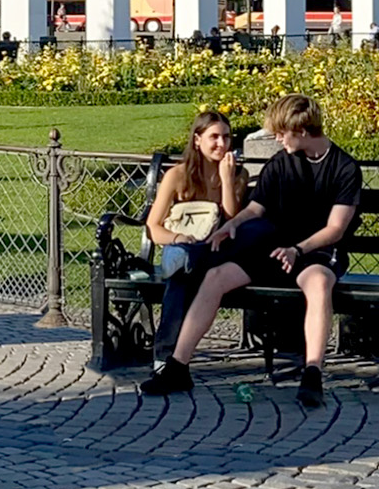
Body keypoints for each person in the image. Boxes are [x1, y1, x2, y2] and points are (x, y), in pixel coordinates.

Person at [142, 95, 362, 408]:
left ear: (300, 130)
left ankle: (312, 373)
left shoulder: (344, 167)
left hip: (315, 252)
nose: (276, 138)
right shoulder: (282, 162)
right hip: (272, 249)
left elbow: (335, 229)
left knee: (319, 283)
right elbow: (258, 207)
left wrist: (298, 249)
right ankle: (178, 366)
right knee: (216, 276)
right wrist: (232, 225)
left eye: (280, 132)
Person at [143, 111, 246, 369]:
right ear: (197, 140)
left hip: (217, 251)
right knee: (180, 271)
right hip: (182, 249)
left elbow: (232, 217)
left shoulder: (238, 175)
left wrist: (226, 180)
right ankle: (166, 358)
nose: (221, 144)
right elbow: (153, 228)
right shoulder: (178, 176)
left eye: (226, 137)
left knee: (186, 274)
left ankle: (167, 357)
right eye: (214, 137)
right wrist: (179, 236)